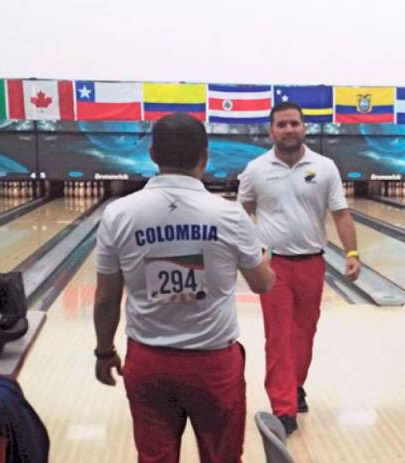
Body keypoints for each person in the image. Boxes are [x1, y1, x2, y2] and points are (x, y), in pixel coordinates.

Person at [93, 113, 275, 463]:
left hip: (148, 362)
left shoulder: (118, 214)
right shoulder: (229, 215)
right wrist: (264, 257)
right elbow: (262, 284)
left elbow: (105, 299)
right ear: (205, 156)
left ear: (152, 154)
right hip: (214, 365)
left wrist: (104, 351)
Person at [237, 101, 360, 435]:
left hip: (312, 263)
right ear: (271, 131)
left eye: (294, 123)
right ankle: (283, 408)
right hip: (272, 266)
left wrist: (352, 252)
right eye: (282, 124)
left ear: (304, 127)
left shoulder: (324, 167)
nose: (289, 129)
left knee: (304, 334)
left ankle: (295, 386)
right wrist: (250, 253)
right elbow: (241, 213)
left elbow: (341, 214)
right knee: (278, 337)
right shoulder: (256, 169)